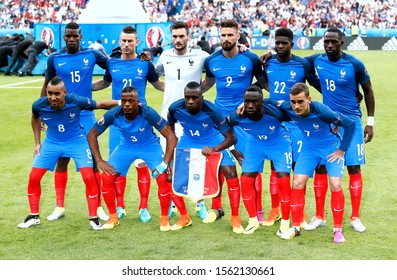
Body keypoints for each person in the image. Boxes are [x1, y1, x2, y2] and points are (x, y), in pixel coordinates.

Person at [17, 77, 118, 230]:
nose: (52, 97)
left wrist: (121, 103)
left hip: (77, 142)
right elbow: (34, 118)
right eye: (49, 93)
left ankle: (93, 218)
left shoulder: (76, 101)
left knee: (89, 177)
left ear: (64, 93)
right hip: (52, 143)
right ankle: (33, 216)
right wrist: (37, 143)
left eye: (57, 94)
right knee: (34, 176)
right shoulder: (39, 105)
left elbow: (101, 104)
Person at [92, 25, 165, 222]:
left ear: (137, 42)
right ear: (119, 41)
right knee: (116, 168)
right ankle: (120, 206)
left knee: (142, 164)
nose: (126, 44)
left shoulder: (145, 64)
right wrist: (83, 87)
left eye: (130, 41)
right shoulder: (111, 63)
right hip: (117, 122)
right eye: (123, 40)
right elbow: (104, 83)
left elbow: (158, 84)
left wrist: (181, 88)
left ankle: (143, 207)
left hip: (141, 120)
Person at [305, 28, 375, 233]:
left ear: (341, 43)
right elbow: (301, 64)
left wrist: (370, 122)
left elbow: (369, 90)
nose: (329, 45)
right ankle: (319, 216)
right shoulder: (317, 60)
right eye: (326, 41)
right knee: (321, 168)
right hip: (328, 123)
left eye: (333, 42)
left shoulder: (354, 64)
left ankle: (355, 217)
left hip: (352, 122)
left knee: (354, 167)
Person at [41, 22, 109, 222]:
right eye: (68, 36)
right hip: (61, 115)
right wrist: (44, 111)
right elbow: (47, 86)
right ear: (64, 37)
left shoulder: (92, 55)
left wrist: (98, 85)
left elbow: (113, 68)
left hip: (86, 115)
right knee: (62, 159)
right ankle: (59, 206)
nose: (71, 39)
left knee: (95, 161)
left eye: (75, 36)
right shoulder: (55, 58)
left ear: (81, 36)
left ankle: (98, 207)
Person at [270, 82, 356, 243]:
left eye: (300, 101)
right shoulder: (288, 106)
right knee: (297, 182)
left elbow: (350, 124)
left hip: (331, 148)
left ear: (309, 99)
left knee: (336, 184)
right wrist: (242, 105)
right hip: (309, 149)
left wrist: (342, 150)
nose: (296, 106)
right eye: (293, 102)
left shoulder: (322, 111)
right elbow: (269, 101)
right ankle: (295, 227)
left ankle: (338, 230)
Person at [87, 86, 180, 231]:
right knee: (106, 178)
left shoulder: (148, 113)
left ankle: (164, 219)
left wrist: (165, 163)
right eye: (124, 101)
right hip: (126, 147)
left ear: (138, 102)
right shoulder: (113, 114)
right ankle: (113, 217)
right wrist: (99, 161)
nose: (127, 104)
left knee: (163, 178)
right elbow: (92, 135)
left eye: (131, 101)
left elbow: (171, 137)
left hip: (149, 146)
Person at [202, 18, 266, 224]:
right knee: (220, 165)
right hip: (220, 120)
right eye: (223, 35)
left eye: (230, 35)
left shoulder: (251, 59)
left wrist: (249, 99)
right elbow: (207, 83)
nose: (226, 39)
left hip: (246, 121)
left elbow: (263, 81)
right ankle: (217, 207)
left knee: (250, 165)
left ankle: (257, 210)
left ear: (238, 36)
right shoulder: (211, 61)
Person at [258, 27, 321, 227]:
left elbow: (316, 83)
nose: (280, 46)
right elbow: (261, 81)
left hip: (297, 122)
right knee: (276, 167)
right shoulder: (268, 62)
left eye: (284, 43)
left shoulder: (302, 64)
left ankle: (298, 214)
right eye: (277, 43)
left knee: (297, 167)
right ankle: (275, 210)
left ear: (292, 44)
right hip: (275, 122)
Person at [168, 81, 244, 234]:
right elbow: (170, 132)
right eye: (187, 98)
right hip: (188, 140)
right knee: (170, 176)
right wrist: (169, 159)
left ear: (201, 98)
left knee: (230, 172)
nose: (190, 101)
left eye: (194, 98)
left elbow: (231, 137)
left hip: (212, 140)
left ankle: (235, 218)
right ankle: (184, 217)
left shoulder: (211, 110)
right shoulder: (175, 108)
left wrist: (214, 149)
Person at [155, 21, 210, 220]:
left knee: (195, 162)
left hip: (191, 119)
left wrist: (197, 95)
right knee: (168, 161)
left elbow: (211, 77)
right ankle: (172, 203)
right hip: (167, 118)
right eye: (175, 37)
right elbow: (154, 76)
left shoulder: (201, 56)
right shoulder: (164, 56)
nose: (178, 40)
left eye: (181, 36)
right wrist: (167, 90)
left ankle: (199, 203)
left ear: (188, 37)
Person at [228, 85, 293, 235]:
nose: (250, 105)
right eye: (247, 101)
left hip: (279, 143)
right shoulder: (238, 115)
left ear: (262, 102)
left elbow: (299, 115)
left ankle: (285, 222)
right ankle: (253, 221)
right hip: (255, 144)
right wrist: (233, 149)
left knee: (283, 180)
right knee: (245, 180)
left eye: (255, 102)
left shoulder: (275, 112)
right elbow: (223, 127)